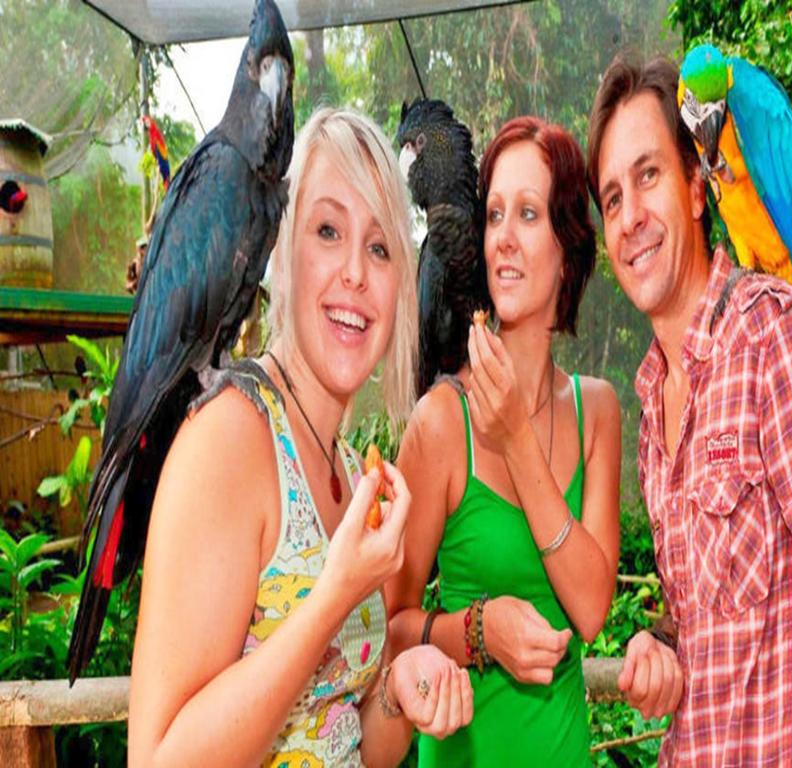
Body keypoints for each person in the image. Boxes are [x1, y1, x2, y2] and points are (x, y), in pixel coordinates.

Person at [127, 108, 473, 768]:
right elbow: (158, 758)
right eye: (327, 231)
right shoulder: (231, 438)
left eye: (379, 248)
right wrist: (335, 594)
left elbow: (352, 742)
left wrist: (397, 690)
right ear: (282, 254)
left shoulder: (351, 466)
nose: (355, 273)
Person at [586, 55, 792, 766]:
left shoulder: (775, 337)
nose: (631, 218)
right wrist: (659, 645)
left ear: (698, 188)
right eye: (612, 198)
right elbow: (711, 615)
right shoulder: (652, 402)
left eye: (648, 176)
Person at [387, 116, 621, 766]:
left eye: (528, 214)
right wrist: (478, 633)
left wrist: (516, 436)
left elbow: (591, 609)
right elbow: (389, 632)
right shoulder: (440, 421)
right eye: (494, 215)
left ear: (568, 248)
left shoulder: (597, 409)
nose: (504, 239)